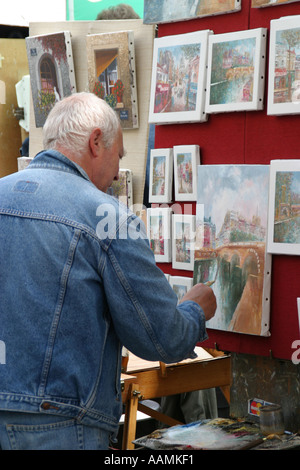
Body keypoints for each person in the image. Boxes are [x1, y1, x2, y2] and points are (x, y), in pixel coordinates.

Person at [0, 92, 216, 450]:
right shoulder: (109, 217)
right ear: (95, 141)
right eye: (117, 156)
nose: (117, 172)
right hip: (60, 424)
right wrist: (195, 309)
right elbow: (161, 338)